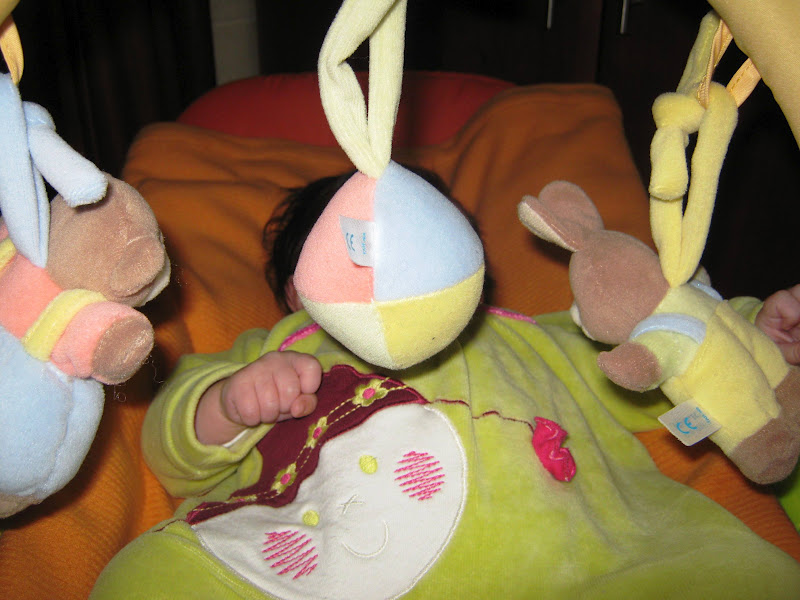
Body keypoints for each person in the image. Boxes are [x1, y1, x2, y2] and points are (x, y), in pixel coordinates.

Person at [91, 168, 800, 599]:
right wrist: (229, 403)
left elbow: (661, 342)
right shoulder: (279, 348)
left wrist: (754, 334)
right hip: (326, 566)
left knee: (738, 577)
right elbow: (169, 450)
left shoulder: (529, 336)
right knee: (147, 579)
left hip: (580, 570)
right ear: (299, 294)